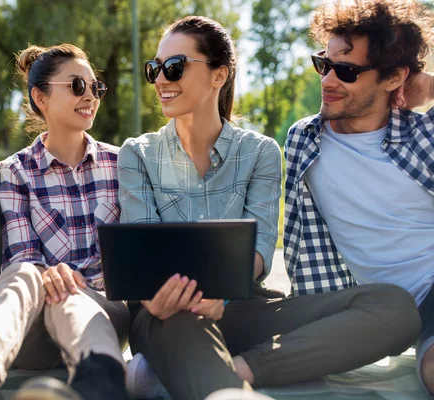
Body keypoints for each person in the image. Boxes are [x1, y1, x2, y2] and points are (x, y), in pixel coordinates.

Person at [118, 15, 422, 400]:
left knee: (394, 307)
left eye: (174, 67)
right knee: (180, 318)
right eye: (154, 69)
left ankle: (236, 371)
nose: (161, 79)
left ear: (218, 76)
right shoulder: (137, 154)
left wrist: (219, 295)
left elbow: (260, 249)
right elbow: (142, 252)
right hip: (164, 313)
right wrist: (175, 296)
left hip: (241, 309)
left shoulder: (260, 151)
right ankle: (227, 390)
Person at [0, 44, 130, 400]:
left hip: (102, 319)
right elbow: (22, 260)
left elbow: (132, 262)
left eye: (96, 88)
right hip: (32, 332)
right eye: (77, 87)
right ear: (41, 97)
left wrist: (73, 283)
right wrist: (47, 274)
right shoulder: (14, 173)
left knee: (72, 297)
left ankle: (102, 381)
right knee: (22, 274)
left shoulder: (122, 165)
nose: (91, 97)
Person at [283, 0, 434, 395]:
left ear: (393, 77)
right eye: (324, 64)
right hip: (377, 309)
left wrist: (430, 85)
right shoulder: (303, 140)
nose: (328, 81)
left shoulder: (423, 135)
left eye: (347, 70)